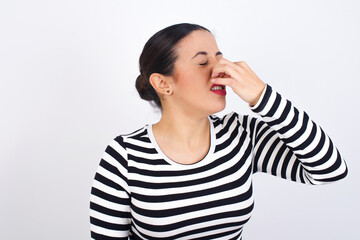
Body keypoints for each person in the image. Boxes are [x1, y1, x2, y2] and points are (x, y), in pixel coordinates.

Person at [89, 23, 348, 239]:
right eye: (203, 63)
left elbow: (329, 170)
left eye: (220, 58)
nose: (221, 70)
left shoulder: (242, 134)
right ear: (162, 83)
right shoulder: (124, 155)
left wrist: (263, 96)